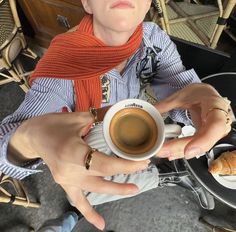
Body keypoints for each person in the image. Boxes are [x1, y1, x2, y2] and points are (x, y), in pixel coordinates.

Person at [0, 0, 232, 230]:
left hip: (132, 114)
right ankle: (166, 176)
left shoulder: (154, 38)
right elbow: (6, 149)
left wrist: (205, 101)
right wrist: (28, 138)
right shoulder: (63, 68)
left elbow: (180, 89)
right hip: (83, 130)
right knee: (86, 190)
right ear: (87, 4)